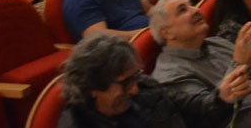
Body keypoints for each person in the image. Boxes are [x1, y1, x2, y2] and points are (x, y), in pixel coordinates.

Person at [151, 0, 251, 128]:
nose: (196, 10)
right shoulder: (169, 74)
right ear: (167, 33)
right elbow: (208, 113)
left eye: (192, 5)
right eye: (183, 10)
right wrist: (238, 65)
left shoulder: (216, 42)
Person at [58, 32, 186, 128]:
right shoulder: (76, 123)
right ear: (93, 87)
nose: (135, 90)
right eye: (126, 83)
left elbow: (183, 103)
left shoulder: (144, 87)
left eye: (135, 77)